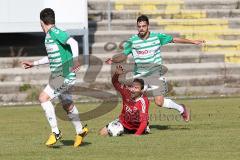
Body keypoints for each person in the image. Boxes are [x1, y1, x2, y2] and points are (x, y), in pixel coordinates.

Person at [106, 15, 206, 122]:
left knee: (159, 102)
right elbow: (123, 55)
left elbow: (174, 39)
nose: (141, 29)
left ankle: (182, 109)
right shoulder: (132, 41)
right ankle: (133, 123)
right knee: (133, 99)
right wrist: (113, 60)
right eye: (139, 26)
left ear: (148, 26)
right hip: (139, 75)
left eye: (144, 26)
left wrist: (193, 41)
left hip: (155, 74)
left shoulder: (157, 37)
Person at [21, 8, 88, 147]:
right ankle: (80, 131)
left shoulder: (55, 32)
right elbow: (51, 57)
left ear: (41, 22)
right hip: (62, 75)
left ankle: (55, 132)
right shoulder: (50, 37)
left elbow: (74, 43)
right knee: (67, 105)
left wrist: (75, 60)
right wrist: (34, 63)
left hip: (64, 75)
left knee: (43, 98)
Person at [99, 65, 150, 136]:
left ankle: (145, 129)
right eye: (132, 87)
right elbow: (115, 83)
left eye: (136, 88)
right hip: (123, 122)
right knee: (102, 133)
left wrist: (136, 135)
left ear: (141, 91)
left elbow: (144, 122)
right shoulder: (126, 91)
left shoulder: (143, 101)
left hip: (136, 127)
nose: (133, 89)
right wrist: (116, 74)